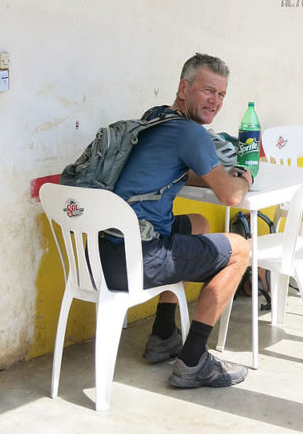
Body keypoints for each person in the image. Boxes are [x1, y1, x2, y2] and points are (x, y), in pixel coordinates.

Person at [99, 53, 253, 389]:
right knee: (240, 249)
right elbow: (230, 196)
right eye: (208, 91)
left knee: (198, 222)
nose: (215, 101)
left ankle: (164, 334)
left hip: (103, 254)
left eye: (222, 94)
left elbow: (181, 174)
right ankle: (194, 359)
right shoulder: (190, 133)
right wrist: (243, 178)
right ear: (184, 88)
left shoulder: (155, 119)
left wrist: (221, 179)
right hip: (137, 260)